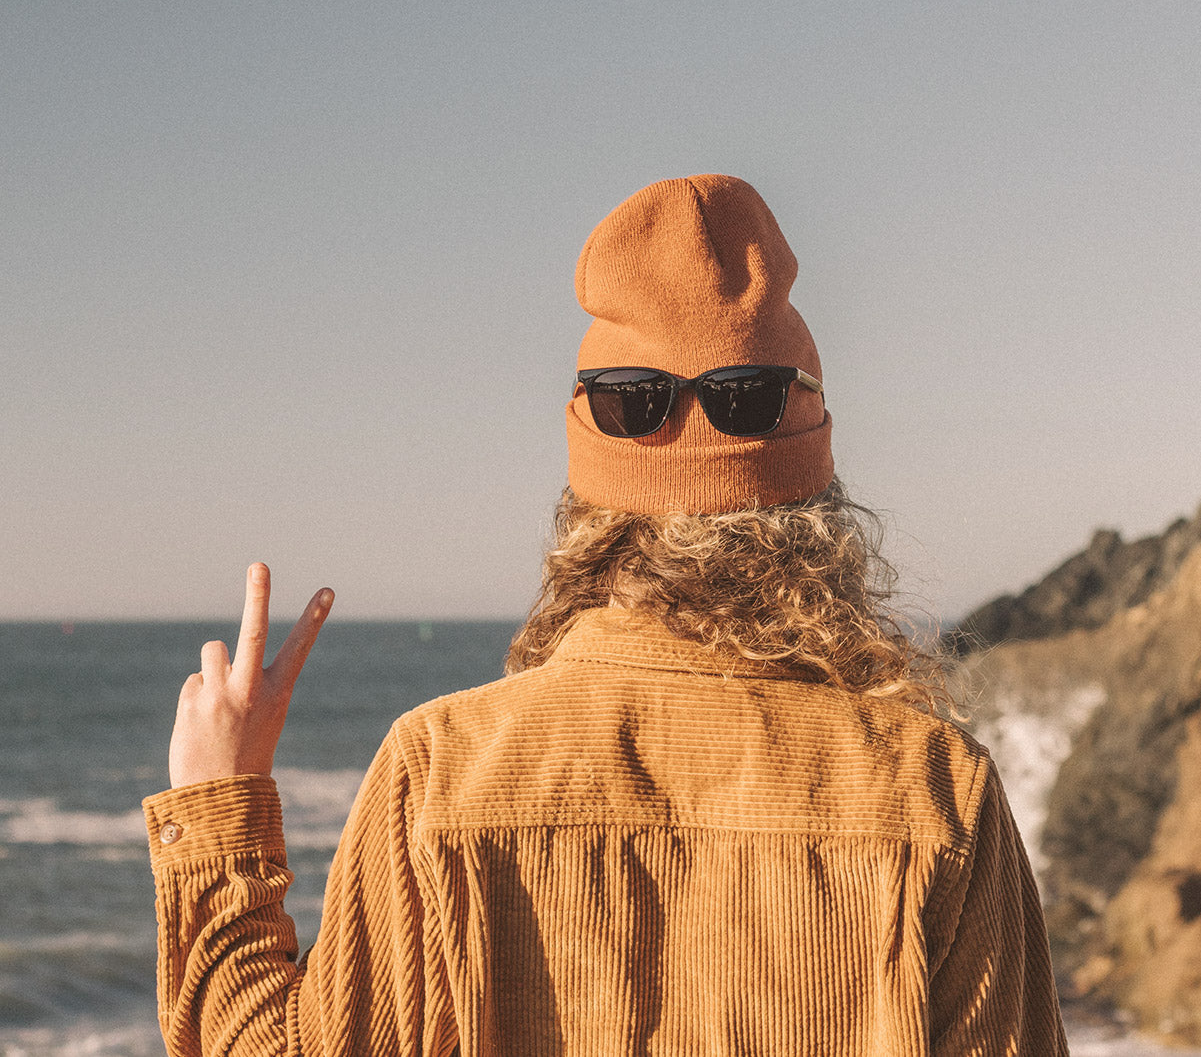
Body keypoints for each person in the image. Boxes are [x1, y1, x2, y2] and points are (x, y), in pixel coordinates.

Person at [145, 174, 1069, 1055]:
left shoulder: (442, 769)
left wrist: (219, 810)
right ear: (812, 488)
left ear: (589, 490)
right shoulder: (934, 789)